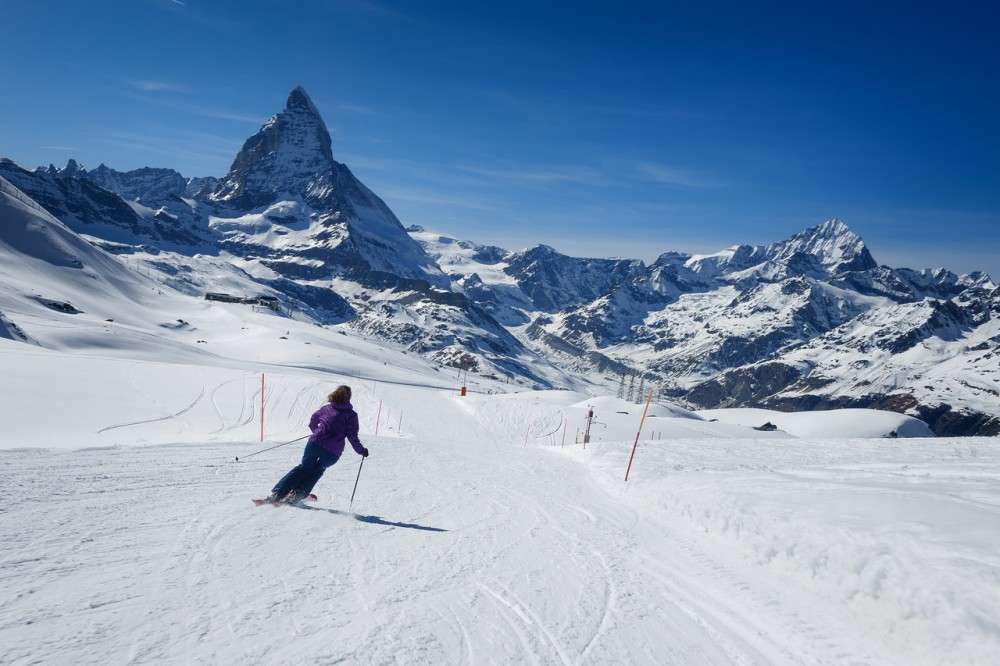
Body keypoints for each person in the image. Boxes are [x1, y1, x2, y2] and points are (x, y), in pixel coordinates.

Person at [266, 385, 369, 504]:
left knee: (304, 468)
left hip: (315, 443)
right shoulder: (351, 415)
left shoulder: (327, 408)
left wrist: (317, 431)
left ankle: (278, 493)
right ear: (349, 398)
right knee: (318, 470)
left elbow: (313, 421)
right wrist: (361, 450)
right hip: (332, 451)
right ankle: (298, 494)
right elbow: (352, 437)